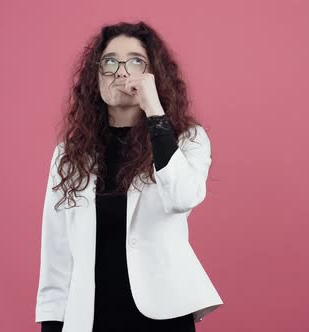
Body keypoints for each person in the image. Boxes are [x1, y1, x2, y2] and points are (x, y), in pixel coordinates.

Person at [35, 21, 223, 332]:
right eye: (109, 62)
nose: (121, 71)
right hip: (91, 318)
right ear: (96, 76)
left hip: (162, 316)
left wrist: (154, 111)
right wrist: (52, 325)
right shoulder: (69, 155)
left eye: (136, 61)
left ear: (154, 75)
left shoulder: (187, 139)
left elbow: (182, 198)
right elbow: (56, 255)